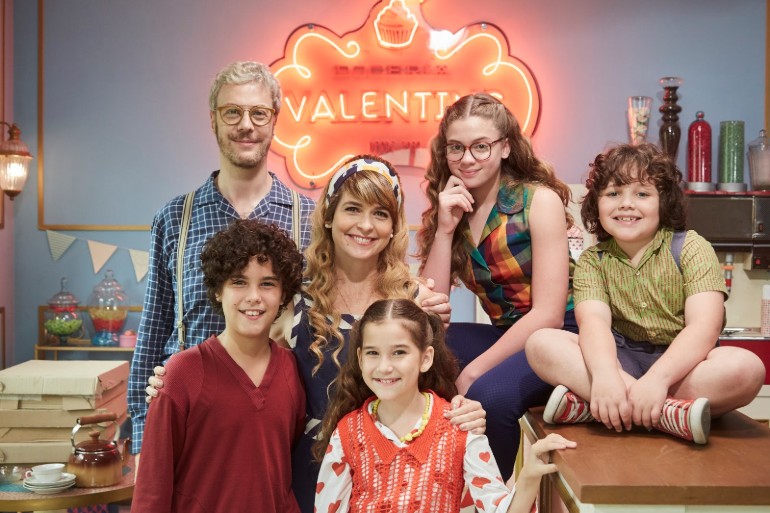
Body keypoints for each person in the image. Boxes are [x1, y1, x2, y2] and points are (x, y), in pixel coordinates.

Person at [147, 155, 485, 513]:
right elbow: (245, 366)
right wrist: (175, 380)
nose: (366, 225)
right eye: (352, 209)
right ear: (328, 216)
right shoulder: (294, 300)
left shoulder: (414, 301)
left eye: (380, 214)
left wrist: (465, 409)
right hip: (310, 482)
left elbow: (435, 392)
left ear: (393, 227)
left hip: (394, 485)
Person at [127, 61, 315, 459]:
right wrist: (144, 440)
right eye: (232, 112)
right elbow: (153, 331)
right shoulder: (174, 219)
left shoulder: (310, 220)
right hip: (193, 431)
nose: (246, 125)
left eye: (258, 113)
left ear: (274, 120)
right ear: (213, 119)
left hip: (279, 434)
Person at [525, 143, 766, 444]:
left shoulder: (692, 247)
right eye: (613, 193)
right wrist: (605, 376)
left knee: (747, 369)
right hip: (621, 362)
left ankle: (601, 407)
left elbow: (704, 326)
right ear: (596, 204)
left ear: (663, 202)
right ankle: (668, 414)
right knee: (540, 343)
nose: (626, 204)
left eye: (642, 194)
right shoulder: (592, 261)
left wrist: (657, 380)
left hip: (684, 368)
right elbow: (594, 324)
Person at [416, 93, 576, 479]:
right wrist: (445, 230)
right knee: (422, 349)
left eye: (480, 146)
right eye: (456, 147)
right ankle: (432, 480)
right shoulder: (456, 206)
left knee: (489, 396)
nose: (467, 158)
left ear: (505, 147)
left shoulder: (538, 202)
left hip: (563, 337)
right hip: (509, 334)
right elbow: (430, 305)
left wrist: (474, 372)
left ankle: (493, 499)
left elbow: (549, 315)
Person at [314, 298, 576, 513]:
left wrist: (529, 476)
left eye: (399, 352)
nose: (384, 367)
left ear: (426, 358)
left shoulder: (460, 426)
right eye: (373, 353)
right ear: (360, 359)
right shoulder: (346, 434)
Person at [131, 219, 306, 512]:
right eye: (238, 282)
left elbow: (285, 471)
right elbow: (152, 489)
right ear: (217, 290)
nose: (254, 297)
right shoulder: (181, 373)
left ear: (283, 295)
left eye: (267, 283)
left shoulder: (292, 370)